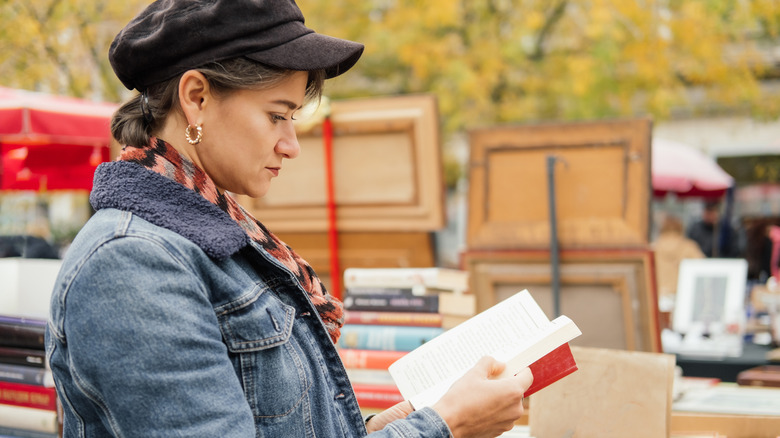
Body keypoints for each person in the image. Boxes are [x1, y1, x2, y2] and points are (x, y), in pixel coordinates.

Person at [45, 1, 534, 437]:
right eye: (277, 115)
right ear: (196, 96)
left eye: (293, 119)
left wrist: (380, 426)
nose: (291, 145)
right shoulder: (133, 263)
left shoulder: (218, 234)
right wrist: (446, 426)